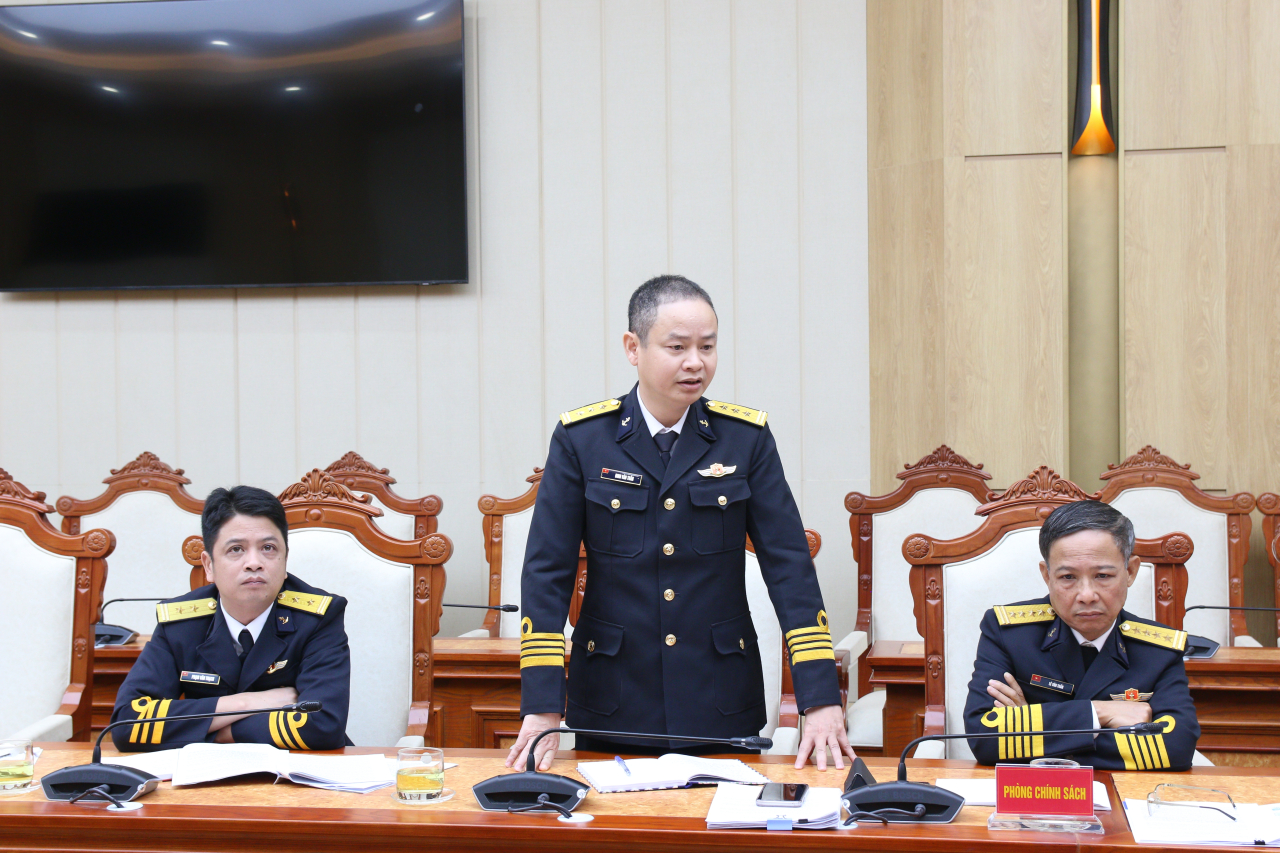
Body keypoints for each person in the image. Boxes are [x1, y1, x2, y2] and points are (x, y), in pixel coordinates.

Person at [507, 274, 853, 773]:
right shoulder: (582, 439)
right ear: (633, 348)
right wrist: (542, 704)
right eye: (677, 347)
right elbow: (547, 575)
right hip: (613, 699)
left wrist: (819, 698)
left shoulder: (745, 438)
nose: (696, 362)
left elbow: (790, 568)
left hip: (719, 698)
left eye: (707, 347)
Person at [110, 486, 350, 751]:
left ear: (285, 561)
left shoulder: (318, 618)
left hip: (300, 770)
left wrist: (220, 733)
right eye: (236, 549)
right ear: (209, 565)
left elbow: (324, 725)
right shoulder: (181, 624)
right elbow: (126, 723)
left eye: (268, 548)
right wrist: (247, 703)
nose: (254, 563)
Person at [963, 500, 1199, 769]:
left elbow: (1176, 747)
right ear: (1047, 576)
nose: (1087, 595)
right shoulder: (1009, 633)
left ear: (1130, 571)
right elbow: (983, 736)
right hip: (1032, 789)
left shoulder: (1159, 649)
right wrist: (1099, 712)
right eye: (1068, 577)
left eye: (1102, 576)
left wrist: (1030, 729)